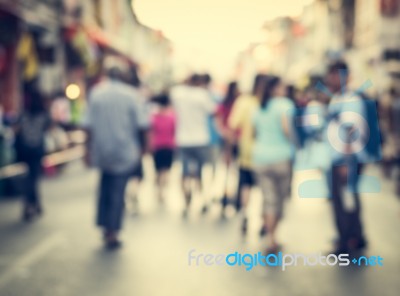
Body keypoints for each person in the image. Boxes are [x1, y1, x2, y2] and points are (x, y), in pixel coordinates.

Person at [83, 58, 149, 249]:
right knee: (117, 191)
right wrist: (144, 148)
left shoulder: (97, 93)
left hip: (102, 150)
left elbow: (88, 126)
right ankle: (112, 230)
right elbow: (142, 125)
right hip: (124, 151)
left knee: (105, 187)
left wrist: (87, 150)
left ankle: (105, 226)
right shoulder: (131, 95)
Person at [325, 60, 368, 254]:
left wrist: (345, 161)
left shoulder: (350, 99)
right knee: (346, 198)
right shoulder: (338, 99)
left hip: (346, 159)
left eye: (335, 74)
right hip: (340, 158)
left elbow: (351, 130)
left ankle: (348, 240)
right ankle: (354, 236)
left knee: (344, 200)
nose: (331, 79)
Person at [252, 76, 295, 253]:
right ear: (275, 88)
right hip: (281, 158)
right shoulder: (285, 105)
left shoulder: (258, 107)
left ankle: (269, 235)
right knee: (279, 199)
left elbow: (254, 133)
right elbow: (287, 130)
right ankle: (272, 236)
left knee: (268, 198)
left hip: (260, 158)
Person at [170, 74, 216, 218]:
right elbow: (213, 112)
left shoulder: (177, 93)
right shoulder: (202, 95)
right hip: (200, 138)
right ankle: (200, 198)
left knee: (184, 172)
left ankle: (186, 201)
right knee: (200, 172)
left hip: (182, 139)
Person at [228, 74, 266, 232]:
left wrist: (230, 148)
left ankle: (245, 214)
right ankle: (265, 220)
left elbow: (233, 125)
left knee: (246, 185)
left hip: (247, 152)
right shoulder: (267, 103)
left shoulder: (243, 102)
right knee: (265, 188)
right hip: (266, 154)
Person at [14, 90, 51, 221]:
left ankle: (32, 204)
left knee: (30, 178)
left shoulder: (23, 115)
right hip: (36, 151)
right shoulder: (43, 115)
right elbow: (48, 128)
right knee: (33, 178)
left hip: (26, 151)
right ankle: (33, 204)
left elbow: (17, 130)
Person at [215, 81, 240, 214]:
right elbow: (219, 119)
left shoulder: (238, 102)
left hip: (235, 139)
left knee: (233, 168)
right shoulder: (226, 104)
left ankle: (231, 193)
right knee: (227, 167)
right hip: (228, 140)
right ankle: (226, 192)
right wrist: (226, 133)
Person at [150, 93, 176, 203]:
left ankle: (158, 190)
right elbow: (174, 131)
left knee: (157, 170)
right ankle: (162, 191)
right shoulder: (172, 117)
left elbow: (151, 131)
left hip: (156, 146)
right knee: (166, 170)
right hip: (169, 146)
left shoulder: (153, 117)